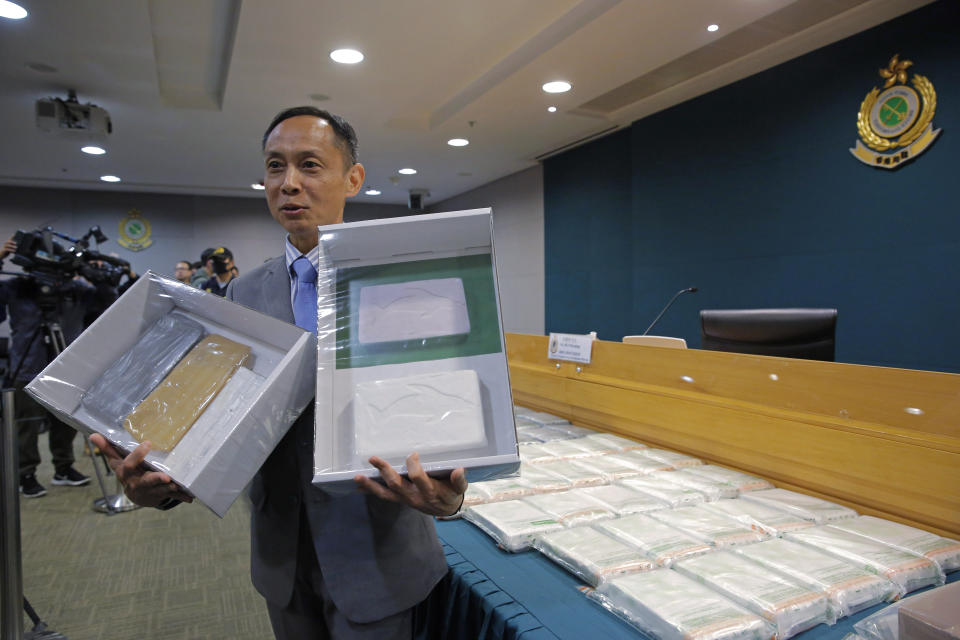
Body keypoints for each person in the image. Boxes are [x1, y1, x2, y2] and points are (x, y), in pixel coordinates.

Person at [91, 107, 467, 639]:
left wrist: (453, 494)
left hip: (378, 552)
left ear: (352, 179)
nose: (289, 183)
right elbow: (215, 416)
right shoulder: (241, 295)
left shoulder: (404, 283)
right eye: (274, 166)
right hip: (281, 555)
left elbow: (443, 405)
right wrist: (163, 481)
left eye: (310, 165)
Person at [1, 236, 117, 497]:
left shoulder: (76, 289)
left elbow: (107, 301)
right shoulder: (17, 287)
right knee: (27, 425)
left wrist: (94, 274)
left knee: (64, 422)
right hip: (27, 366)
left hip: (66, 368)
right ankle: (26, 474)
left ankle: (64, 468)